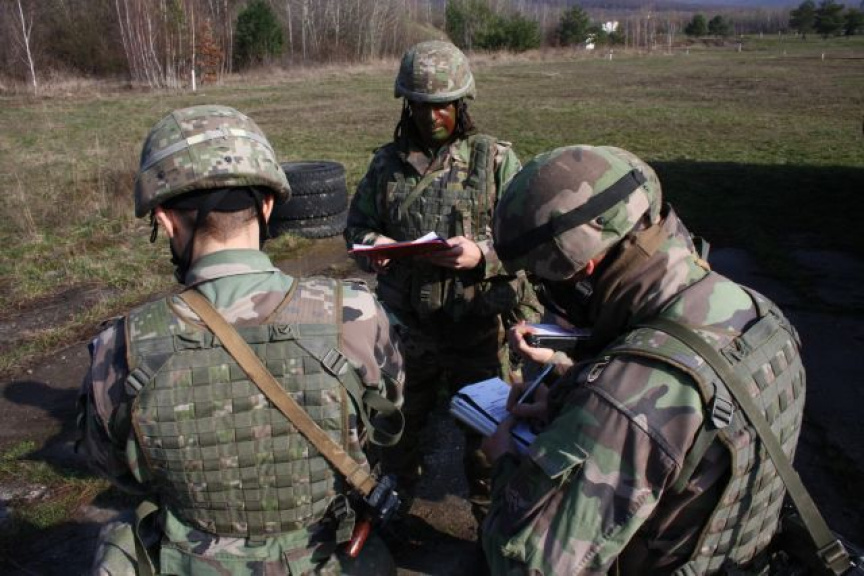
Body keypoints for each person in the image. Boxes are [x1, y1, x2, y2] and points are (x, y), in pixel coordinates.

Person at [77, 105, 404, 575]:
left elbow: (115, 469)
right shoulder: (356, 313)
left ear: (166, 221)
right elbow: (385, 423)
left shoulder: (120, 346)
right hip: (325, 559)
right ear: (267, 207)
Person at [481, 145, 808, 574]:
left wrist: (504, 462)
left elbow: (526, 566)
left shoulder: (622, 398)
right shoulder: (759, 314)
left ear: (584, 270)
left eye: (544, 281)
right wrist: (569, 393)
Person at [343, 40, 538, 519]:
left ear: (461, 104)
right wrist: (375, 246)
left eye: (443, 106)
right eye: (421, 105)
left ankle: (493, 527)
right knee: (396, 435)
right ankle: (391, 520)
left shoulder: (494, 161)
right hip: (406, 332)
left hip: (476, 329)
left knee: (488, 440)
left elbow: (529, 240)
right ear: (406, 105)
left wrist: (482, 255)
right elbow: (357, 228)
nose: (432, 117)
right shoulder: (386, 165)